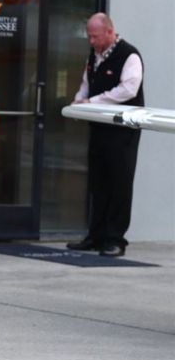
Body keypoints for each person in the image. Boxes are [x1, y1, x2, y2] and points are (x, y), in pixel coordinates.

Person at [66, 13, 144, 258]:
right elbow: (86, 84)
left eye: (95, 36)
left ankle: (115, 239)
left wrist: (93, 102)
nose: (91, 41)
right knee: (98, 183)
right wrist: (80, 102)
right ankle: (95, 236)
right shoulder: (95, 56)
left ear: (110, 32)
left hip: (122, 131)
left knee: (119, 182)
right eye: (89, 36)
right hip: (99, 127)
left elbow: (127, 89)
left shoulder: (129, 55)